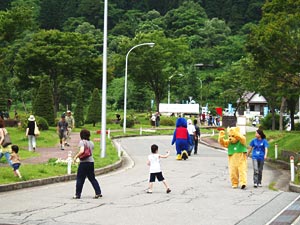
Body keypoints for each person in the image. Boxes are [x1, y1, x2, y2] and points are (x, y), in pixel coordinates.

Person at [73, 129, 102, 199]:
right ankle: (98, 192)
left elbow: (82, 151)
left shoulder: (82, 142)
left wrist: (76, 157)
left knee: (80, 179)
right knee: (92, 178)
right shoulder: (91, 143)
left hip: (84, 163)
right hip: (91, 162)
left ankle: (77, 194)